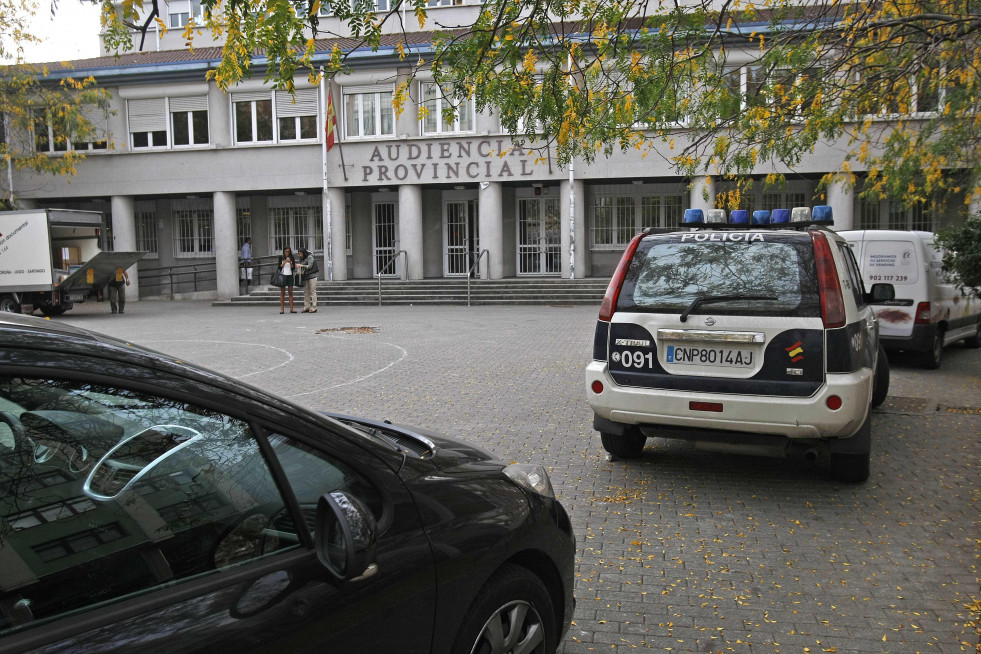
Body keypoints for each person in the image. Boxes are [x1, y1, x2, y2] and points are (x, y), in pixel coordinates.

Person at [297, 247, 318, 313]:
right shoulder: (301, 258)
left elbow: (310, 266)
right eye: (299, 253)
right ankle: (306, 307)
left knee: (312, 291)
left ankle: (314, 307)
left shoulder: (310, 257)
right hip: (305, 276)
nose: (300, 255)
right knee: (306, 292)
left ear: (304, 253)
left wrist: (301, 266)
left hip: (312, 276)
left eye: (301, 253)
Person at [277, 246, 296, 314]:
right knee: (282, 293)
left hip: (290, 275)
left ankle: (292, 309)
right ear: (284, 252)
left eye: (288, 251)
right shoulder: (281, 257)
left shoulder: (292, 257)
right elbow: (279, 267)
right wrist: (285, 262)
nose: (287, 253)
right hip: (283, 275)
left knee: (290, 292)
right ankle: (282, 309)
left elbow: (293, 268)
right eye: (286, 252)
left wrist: (290, 262)